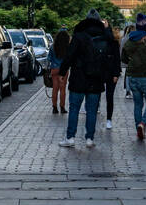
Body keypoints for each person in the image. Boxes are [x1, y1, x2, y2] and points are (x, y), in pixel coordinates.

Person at [58, 9, 111, 148]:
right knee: (92, 110)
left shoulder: (79, 36)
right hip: (96, 78)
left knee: (74, 108)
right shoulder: (104, 37)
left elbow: (69, 56)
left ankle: (70, 137)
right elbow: (108, 59)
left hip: (78, 77)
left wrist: (62, 72)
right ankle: (89, 138)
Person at [120, 13, 146, 139]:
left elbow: (123, 59)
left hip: (132, 76)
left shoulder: (129, 40)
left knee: (137, 104)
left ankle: (138, 126)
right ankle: (143, 123)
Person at [101, 18, 122, 129]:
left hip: (109, 71)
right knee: (100, 95)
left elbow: (117, 58)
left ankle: (109, 118)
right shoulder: (99, 39)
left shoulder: (113, 42)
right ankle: (107, 117)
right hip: (102, 70)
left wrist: (116, 73)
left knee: (109, 96)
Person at [48, 28, 70, 116]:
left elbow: (49, 58)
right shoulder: (67, 47)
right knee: (62, 89)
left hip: (54, 69)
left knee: (55, 89)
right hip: (64, 70)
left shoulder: (53, 46)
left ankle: (54, 107)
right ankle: (62, 107)